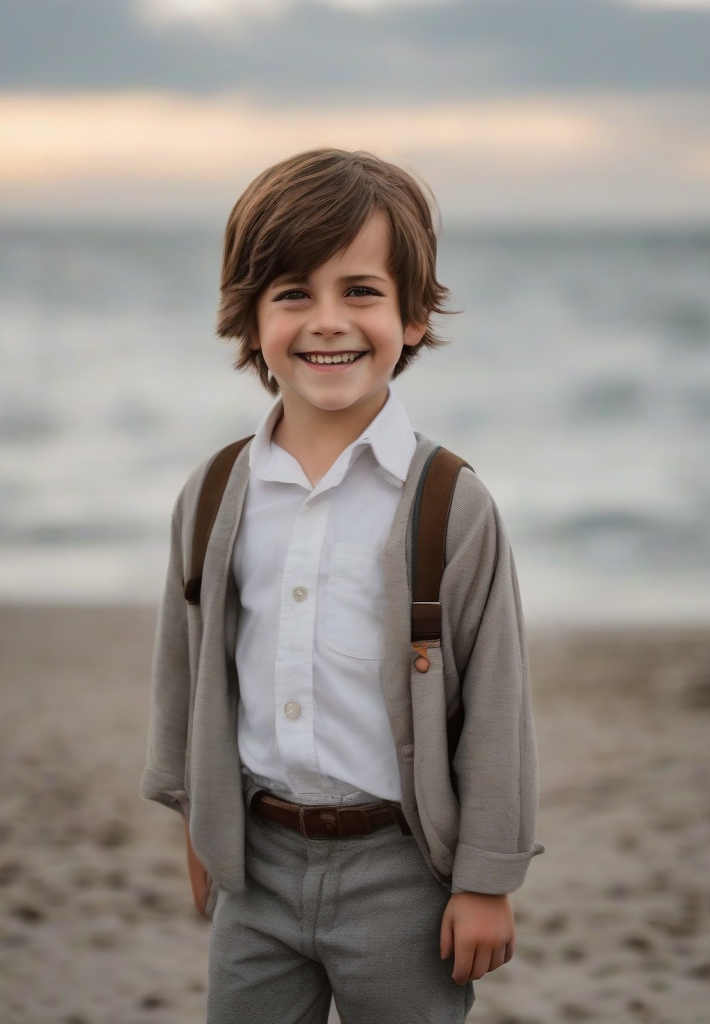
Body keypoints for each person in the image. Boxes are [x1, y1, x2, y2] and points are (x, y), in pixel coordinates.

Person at [141, 148, 542, 1024]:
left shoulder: (450, 504)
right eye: (293, 294)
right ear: (249, 322)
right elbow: (190, 668)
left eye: (361, 291)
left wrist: (486, 881)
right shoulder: (215, 493)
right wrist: (200, 821)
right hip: (258, 864)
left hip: (404, 873)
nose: (329, 322)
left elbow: (498, 704)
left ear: (412, 316)